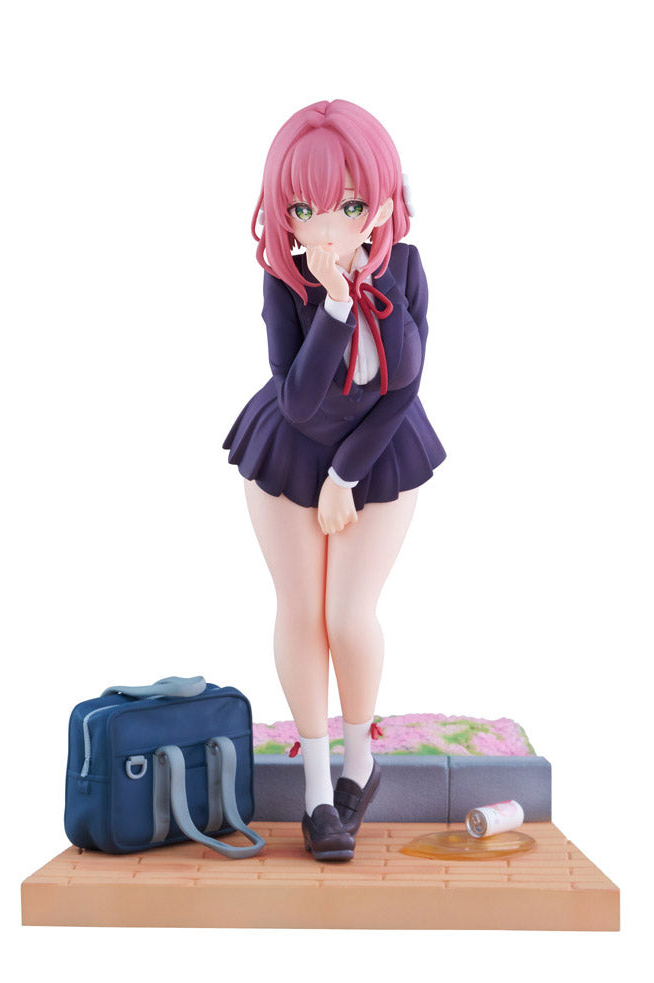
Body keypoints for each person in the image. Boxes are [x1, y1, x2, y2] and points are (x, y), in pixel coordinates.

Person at [224, 100, 445, 861]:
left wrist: (346, 475)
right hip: (289, 450)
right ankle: (318, 789)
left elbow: (403, 386)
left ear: (378, 204)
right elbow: (298, 397)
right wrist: (338, 304)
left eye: (348, 206)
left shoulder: (406, 268)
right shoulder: (283, 284)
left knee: (349, 616)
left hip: (380, 453)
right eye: (303, 208)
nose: (325, 226)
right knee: (302, 613)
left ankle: (360, 765)